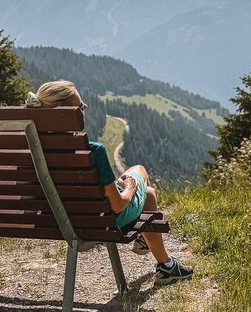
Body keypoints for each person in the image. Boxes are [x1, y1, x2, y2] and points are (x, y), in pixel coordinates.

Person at [26, 80, 193, 282]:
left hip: (54, 221)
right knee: (141, 177)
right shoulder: (93, 151)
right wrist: (129, 187)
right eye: (81, 107)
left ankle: (163, 261)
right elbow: (118, 205)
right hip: (99, 222)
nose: (84, 110)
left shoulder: (28, 150)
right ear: (65, 114)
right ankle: (164, 264)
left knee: (147, 194)